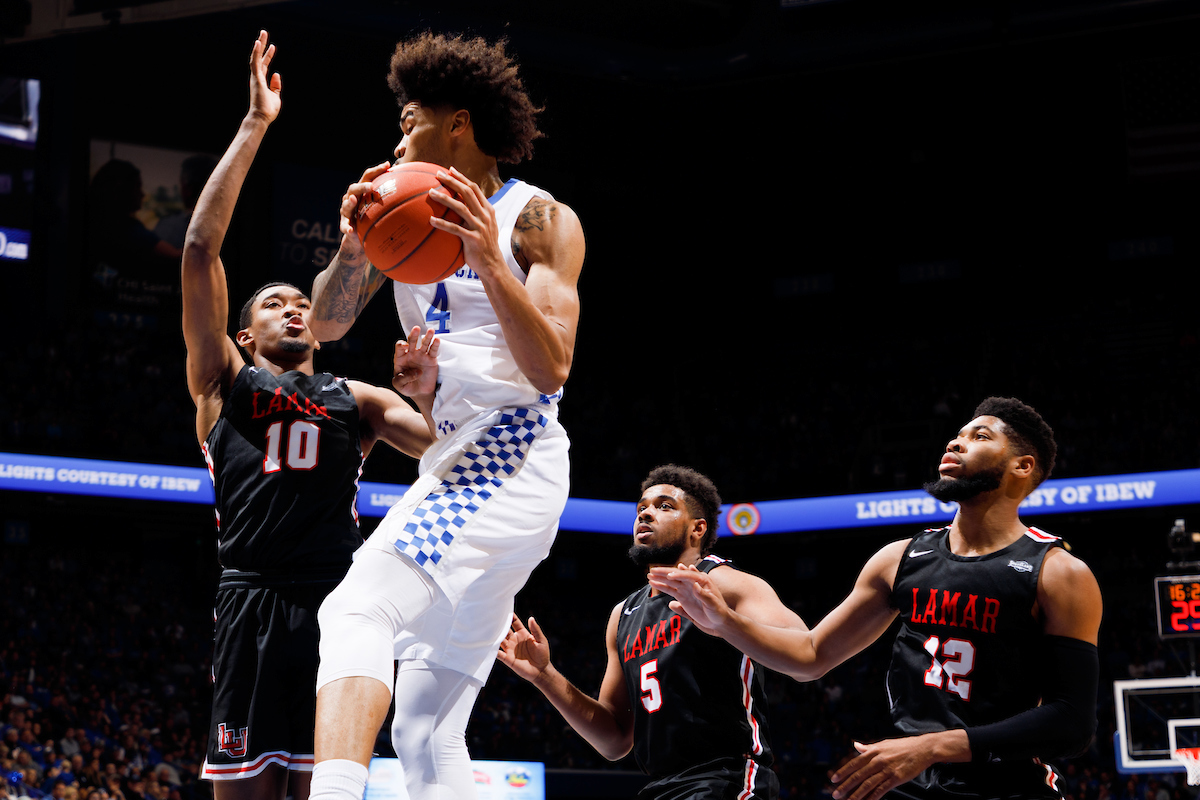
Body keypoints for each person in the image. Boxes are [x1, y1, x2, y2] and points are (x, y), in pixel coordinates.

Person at [306, 31, 586, 800]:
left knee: (355, 608)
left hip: (514, 450)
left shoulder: (538, 220)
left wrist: (489, 260)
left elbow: (551, 368)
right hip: (461, 455)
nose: (397, 136)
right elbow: (326, 326)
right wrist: (354, 245)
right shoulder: (399, 210)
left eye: (408, 119)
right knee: (424, 728)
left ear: (456, 124)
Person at [181, 32, 439, 800]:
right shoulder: (222, 383)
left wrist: (425, 392)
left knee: (327, 789)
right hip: (252, 599)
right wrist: (256, 124)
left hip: (339, 600)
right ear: (242, 334)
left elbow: (448, 453)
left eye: (302, 302)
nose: (293, 307)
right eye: (272, 304)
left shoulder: (357, 399)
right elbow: (199, 247)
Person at [650, 397, 1102, 800]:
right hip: (908, 782)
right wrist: (725, 622)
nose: (956, 442)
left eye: (978, 436)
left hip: (1008, 786)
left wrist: (933, 746)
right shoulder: (900, 559)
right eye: (957, 434)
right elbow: (809, 656)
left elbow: (1072, 723)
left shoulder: (1059, 573)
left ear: (1022, 467)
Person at [499, 465, 797, 800]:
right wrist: (544, 676)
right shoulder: (623, 614)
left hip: (727, 778)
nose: (646, 514)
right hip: (660, 786)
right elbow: (614, 741)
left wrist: (727, 620)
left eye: (664, 506)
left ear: (697, 529)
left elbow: (802, 648)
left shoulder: (725, 582)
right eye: (642, 508)